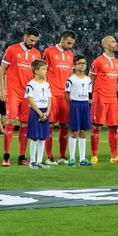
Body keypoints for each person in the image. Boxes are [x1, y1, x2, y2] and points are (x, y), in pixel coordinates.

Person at [0, 27, 41, 166]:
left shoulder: (36, 53)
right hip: (13, 91)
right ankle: (6, 155)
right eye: (31, 40)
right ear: (25, 37)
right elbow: (2, 70)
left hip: (28, 93)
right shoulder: (12, 49)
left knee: (25, 124)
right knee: (10, 122)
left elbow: (38, 75)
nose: (33, 43)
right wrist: (2, 89)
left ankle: (22, 156)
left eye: (35, 41)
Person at [44, 30, 76, 165]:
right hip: (52, 93)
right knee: (50, 124)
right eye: (69, 43)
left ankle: (62, 156)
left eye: (72, 44)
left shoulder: (70, 54)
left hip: (64, 94)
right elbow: (43, 71)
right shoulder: (49, 52)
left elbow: (70, 74)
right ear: (62, 40)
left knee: (65, 124)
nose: (70, 46)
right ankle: (49, 156)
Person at [89, 36, 118, 164]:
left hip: (113, 99)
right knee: (96, 126)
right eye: (113, 41)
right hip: (100, 98)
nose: (116, 43)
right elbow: (90, 79)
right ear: (106, 45)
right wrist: (94, 95)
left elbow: (114, 80)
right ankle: (94, 155)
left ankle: (114, 156)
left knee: (113, 127)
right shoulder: (98, 61)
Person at [64, 55, 93, 167]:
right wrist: (71, 105)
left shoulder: (88, 80)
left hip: (85, 104)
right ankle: (72, 158)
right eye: (80, 63)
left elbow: (89, 94)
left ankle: (82, 158)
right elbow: (66, 94)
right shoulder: (71, 79)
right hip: (75, 104)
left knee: (83, 131)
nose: (82, 65)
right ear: (75, 65)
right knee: (74, 131)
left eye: (84, 63)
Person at [24, 60, 52, 169]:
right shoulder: (31, 84)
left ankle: (40, 160)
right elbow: (30, 100)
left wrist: (47, 113)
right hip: (36, 112)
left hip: (45, 112)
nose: (46, 71)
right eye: (43, 69)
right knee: (35, 137)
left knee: (43, 137)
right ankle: (33, 161)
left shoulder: (46, 84)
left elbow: (50, 99)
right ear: (36, 71)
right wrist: (40, 113)